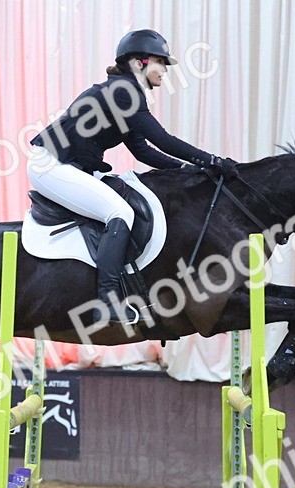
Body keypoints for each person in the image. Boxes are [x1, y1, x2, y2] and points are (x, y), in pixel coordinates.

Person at [27, 29, 239, 326]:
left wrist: (188, 170)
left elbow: (143, 151)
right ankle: (107, 301)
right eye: (161, 62)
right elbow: (162, 140)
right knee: (120, 212)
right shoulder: (123, 93)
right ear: (140, 62)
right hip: (50, 165)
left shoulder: (124, 93)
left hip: (66, 165)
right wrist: (212, 161)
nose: (165, 70)